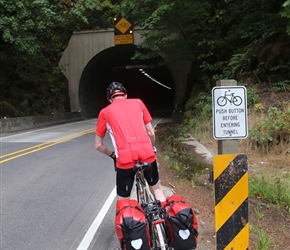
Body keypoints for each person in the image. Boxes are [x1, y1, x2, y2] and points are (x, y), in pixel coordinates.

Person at [94, 82, 166, 203]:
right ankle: (165, 218)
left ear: (110, 99)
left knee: (123, 201)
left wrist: (113, 155)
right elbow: (151, 133)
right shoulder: (138, 102)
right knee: (157, 189)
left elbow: (98, 145)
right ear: (125, 95)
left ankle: (126, 219)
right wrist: (151, 147)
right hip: (146, 153)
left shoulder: (105, 112)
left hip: (125, 158)